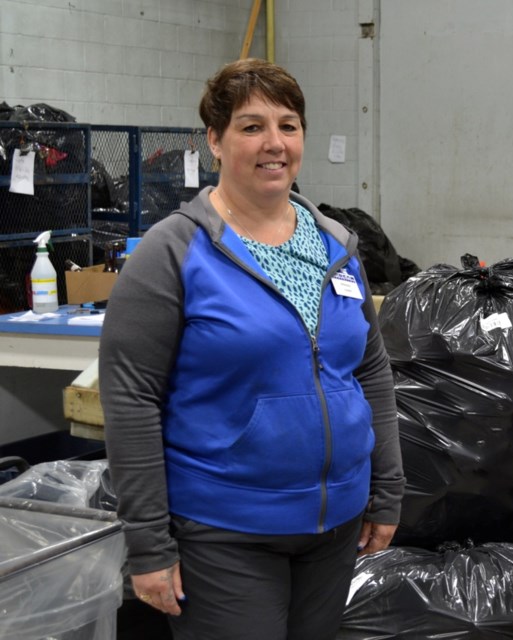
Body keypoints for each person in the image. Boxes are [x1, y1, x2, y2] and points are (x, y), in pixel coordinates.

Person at [99, 58, 404, 640]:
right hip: (225, 530)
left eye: (288, 126)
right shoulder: (172, 253)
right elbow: (131, 399)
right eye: (251, 126)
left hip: (335, 525)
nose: (275, 144)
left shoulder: (336, 245)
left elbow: (370, 369)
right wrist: (148, 544)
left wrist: (386, 490)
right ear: (214, 140)